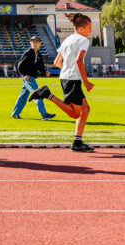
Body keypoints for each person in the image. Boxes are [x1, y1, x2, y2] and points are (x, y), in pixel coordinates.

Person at [29, 13, 95, 152]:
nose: (91, 30)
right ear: (81, 28)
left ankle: (77, 141)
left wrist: (68, 70)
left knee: (85, 110)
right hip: (72, 79)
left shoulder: (68, 39)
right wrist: (86, 82)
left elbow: (56, 62)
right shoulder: (83, 40)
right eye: (89, 27)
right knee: (75, 114)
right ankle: (47, 94)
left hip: (66, 76)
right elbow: (78, 61)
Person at [11, 36, 55, 121]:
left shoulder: (38, 54)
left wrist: (44, 73)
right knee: (37, 95)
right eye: (33, 42)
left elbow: (40, 66)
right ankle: (44, 114)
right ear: (30, 43)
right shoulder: (28, 52)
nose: (34, 43)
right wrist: (24, 75)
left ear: (40, 44)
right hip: (28, 78)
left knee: (23, 97)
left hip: (30, 78)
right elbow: (20, 65)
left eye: (36, 42)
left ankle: (15, 113)